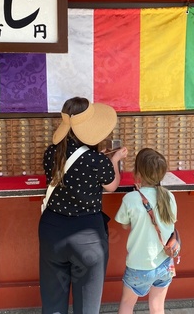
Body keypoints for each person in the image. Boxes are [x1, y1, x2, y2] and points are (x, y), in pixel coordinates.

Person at [39, 97, 128, 314]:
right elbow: (112, 186)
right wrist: (115, 160)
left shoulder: (51, 153)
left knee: (52, 301)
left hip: (52, 231)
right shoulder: (97, 160)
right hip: (87, 236)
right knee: (87, 306)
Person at [115, 148, 178, 314]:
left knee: (127, 304)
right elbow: (170, 225)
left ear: (137, 172)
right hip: (165, 263)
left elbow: (124, 224)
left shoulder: (131, 198)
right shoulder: (169, 196)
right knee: (157, 307)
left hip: (139, 266)